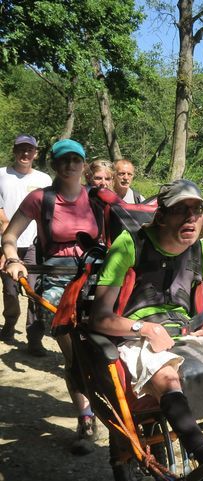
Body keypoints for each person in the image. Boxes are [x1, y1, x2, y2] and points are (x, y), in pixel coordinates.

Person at [90, 179, 203, 481]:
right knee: (166, 372)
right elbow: (99, 317)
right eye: (182, 209)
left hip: (187, 330)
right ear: (162, 215)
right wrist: (145, 328)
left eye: (197, 209)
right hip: (134, 333)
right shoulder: (129, 245)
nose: (191, 217)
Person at [2, 138, 101, 453]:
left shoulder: (98, 199)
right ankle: (86, 417)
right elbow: (10, 236)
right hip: (55, 280)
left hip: (95, 278)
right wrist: (14, 259)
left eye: (76, 159)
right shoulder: (39, 199)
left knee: (107, 346)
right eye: (64, 160)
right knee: (73, 354)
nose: (71, 165)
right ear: (55, 165)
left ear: (83, 164)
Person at [0, 134, 52, 355]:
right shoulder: (2, 175)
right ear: (14, 151)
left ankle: (34, 338)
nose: (25, 153)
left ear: (35, 153)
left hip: (33, 244)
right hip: (7, 241)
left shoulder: (44, 179)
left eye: (29, 150)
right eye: (21, 149)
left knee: (34, 291)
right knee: (11, 291)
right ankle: (10, 323)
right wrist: (6, 247)